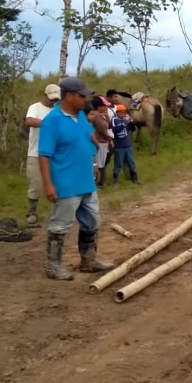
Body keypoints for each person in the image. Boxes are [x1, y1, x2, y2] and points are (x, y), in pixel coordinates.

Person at [38, 77, 114, 281]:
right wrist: (48, 185)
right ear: (69, 96)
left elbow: (86, 141)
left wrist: (93, 164)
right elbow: (44, 154)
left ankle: (89, 261)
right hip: (66, 182)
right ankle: (53, 266)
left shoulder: (81, 116)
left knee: (92, 220)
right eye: (82, 96)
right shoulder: (52, 121)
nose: (85, 100)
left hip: (86, 180)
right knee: (60, 224)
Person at [24, 84, 61, 226]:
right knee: (36, 183)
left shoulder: (59, 110)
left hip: (56, 153)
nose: (53, 101)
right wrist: (48, 124)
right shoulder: (35, 107)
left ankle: (57, 212)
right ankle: (31, 212)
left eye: (56, 99)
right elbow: (30, 121)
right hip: (36, 152)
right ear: (45, 95)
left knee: (58, 183)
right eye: (51, 98)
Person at [110, 103, 139, 185]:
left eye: (124, 112)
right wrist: (124, 123)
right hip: (119, 146)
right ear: (118, 113)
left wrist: (131, 121)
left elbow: (133, 129)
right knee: (118, 164)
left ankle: (135, 179)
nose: (123, 114)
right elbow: (115, 130)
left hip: (128, 144)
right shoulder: (114, 120)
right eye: (122, 113)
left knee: (131, 163)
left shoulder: (126, 119)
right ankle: (115, 180)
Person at [88, 96, 113, 189]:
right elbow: (102, 129)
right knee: (99, 164)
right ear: (99, 107)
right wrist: (109, 139)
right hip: (100, 141)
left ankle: (99, 182)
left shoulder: (100, 115)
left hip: (101, 141)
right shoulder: (97, 116)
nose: (106, 107)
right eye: (104, 106)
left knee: (100, 163)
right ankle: (98, 183)